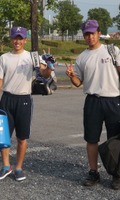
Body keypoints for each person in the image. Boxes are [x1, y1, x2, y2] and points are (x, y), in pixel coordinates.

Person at [0, 26, 53, 181]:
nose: (17, 41)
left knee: (22, 137)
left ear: (25, 40)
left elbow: (43, 74)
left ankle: (18, 167)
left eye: (20, 38)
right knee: (4, 136)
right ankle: (6, 166)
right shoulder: (4, 58)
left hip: (24, 100)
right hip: (7, 99)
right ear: (11, 39)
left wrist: (49, 66)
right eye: (15, 38)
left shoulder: (32, 57)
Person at [65, 20, 120, 190]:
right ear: (84, 35)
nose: (90, 36)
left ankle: (117, 174)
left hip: (113, 99)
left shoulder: (112, 50)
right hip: (92, 101)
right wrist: (71, 75)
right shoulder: (82, 57)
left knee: (116, 139)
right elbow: (78, 82)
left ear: (99, 32)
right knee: (91, 139)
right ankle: (93, 172)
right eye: (87, 34)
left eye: (93, 33)